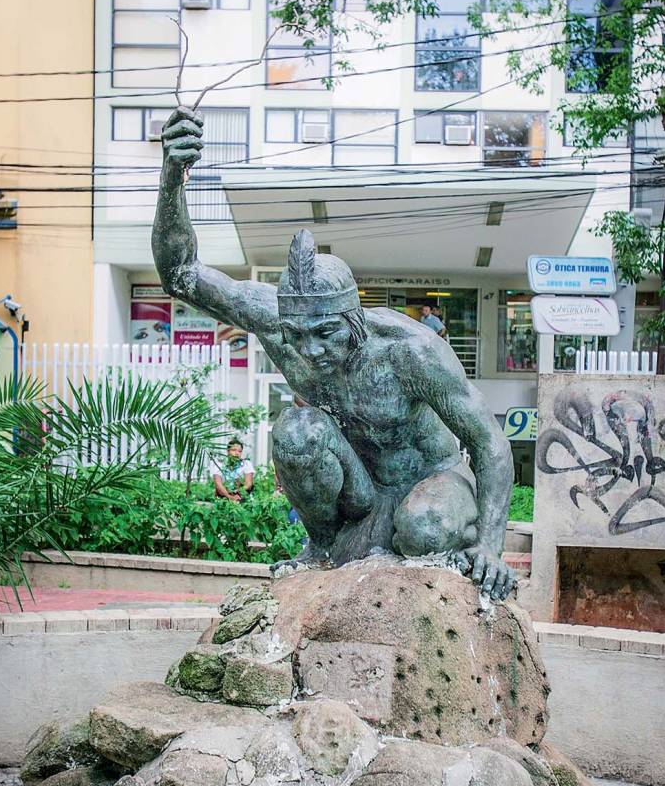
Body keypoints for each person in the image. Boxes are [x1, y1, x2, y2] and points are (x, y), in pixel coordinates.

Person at [153, 107, 515, 599]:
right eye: (297, 334)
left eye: (325, 333)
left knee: (424, 530)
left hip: (430, 481)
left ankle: (444, 537)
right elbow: (182, 273)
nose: (311, 349)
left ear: (353, 319)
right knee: (297, 432)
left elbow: (488, 439)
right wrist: (173, 175)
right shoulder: (276, 323)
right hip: (360, 489)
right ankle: (324, 549)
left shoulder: (409, 351)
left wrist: (491, 547)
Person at [213, 438, 255, 502]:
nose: (237, 453)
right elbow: (218, 484)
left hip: (242, 497)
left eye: (240, 451)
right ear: (228, 451)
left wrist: (236, 492)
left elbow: (248, 484)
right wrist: (229, 496)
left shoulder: (246, 464)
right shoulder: (220, 464)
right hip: (223, 497)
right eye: (234, 450)